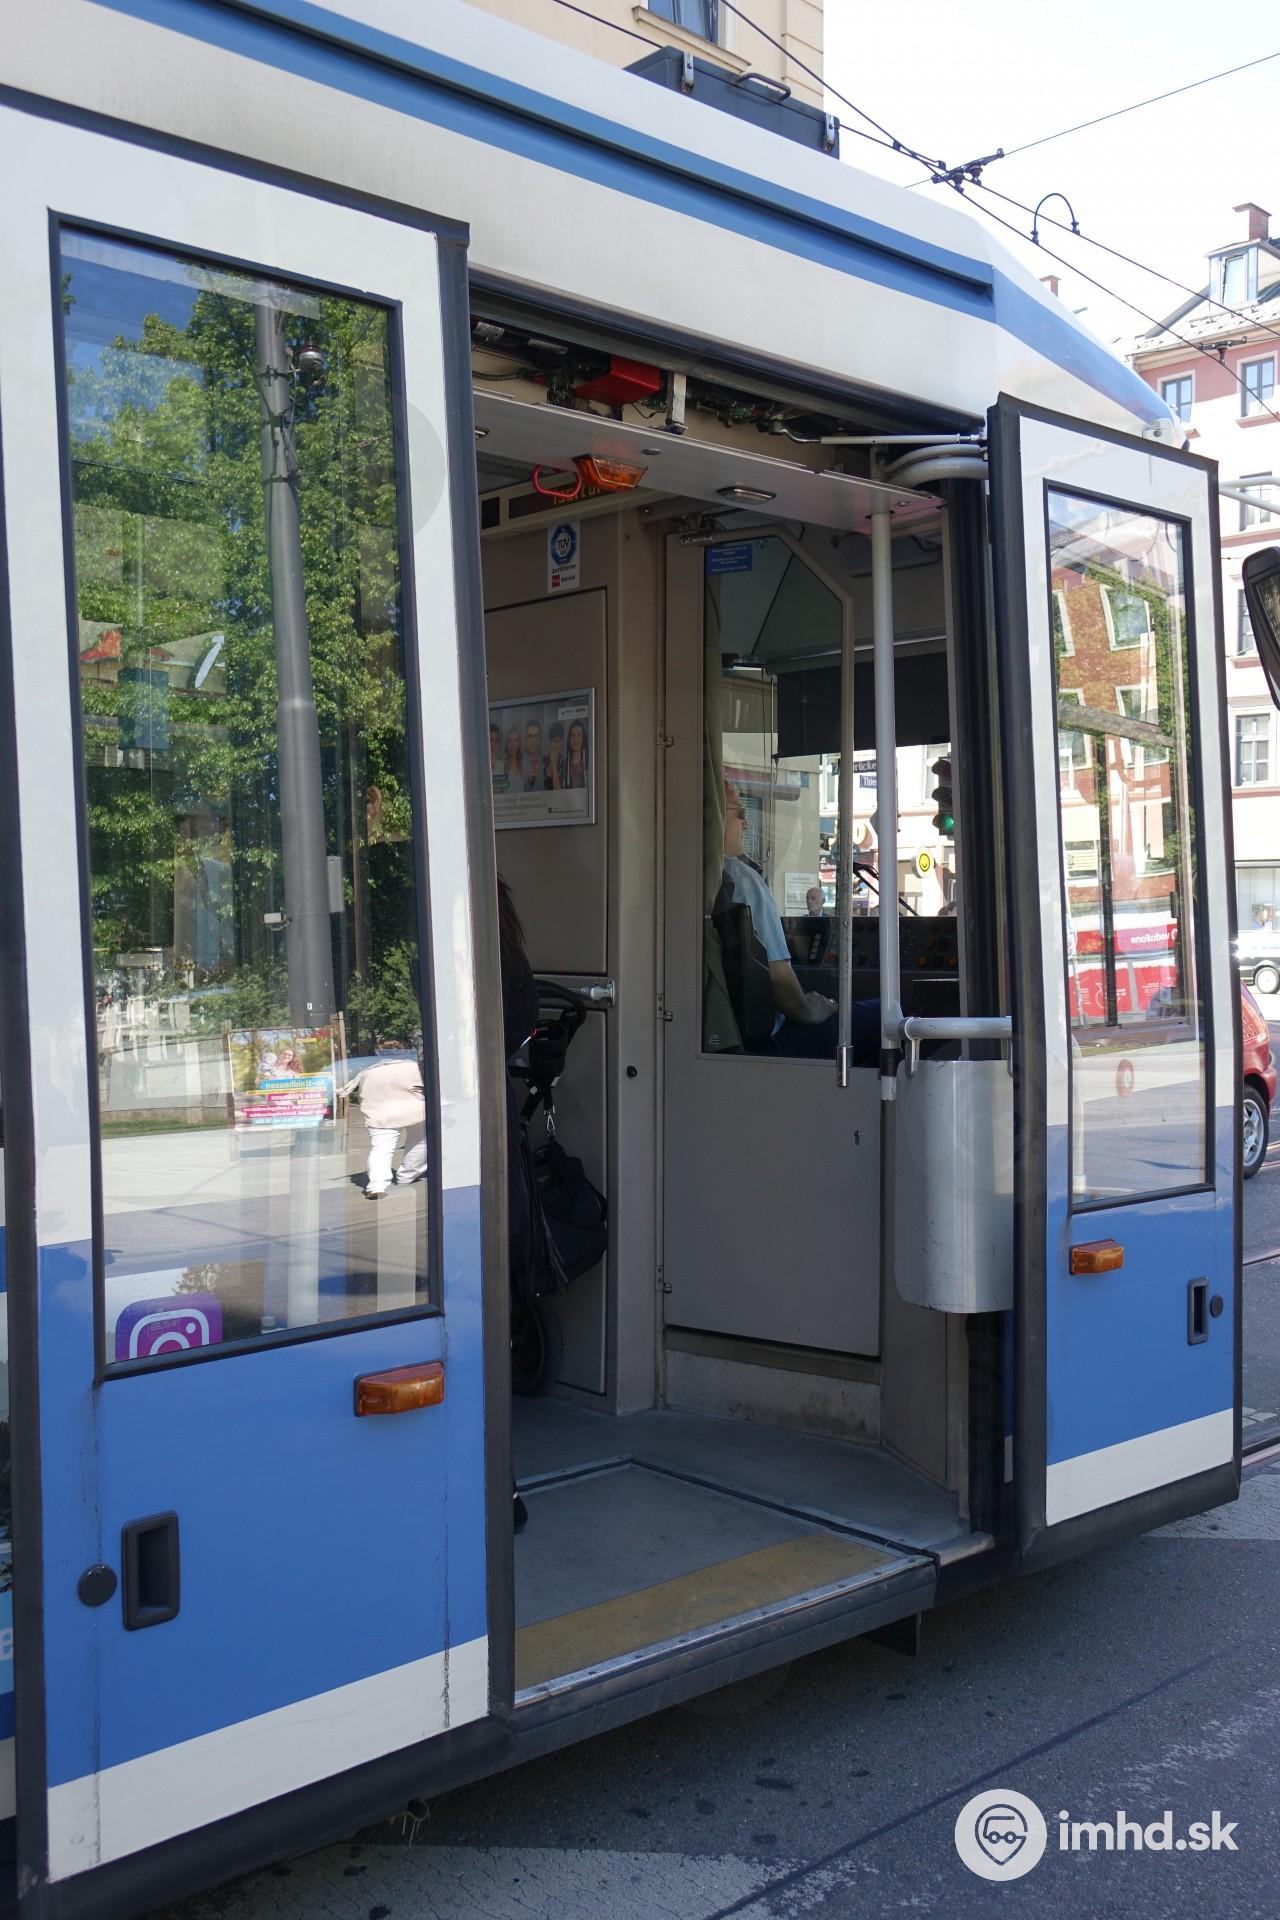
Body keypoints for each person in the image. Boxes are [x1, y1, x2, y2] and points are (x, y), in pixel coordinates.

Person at [720, 780, 835, 1051]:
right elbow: (779, 979)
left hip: (717, 1032)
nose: (746, 824)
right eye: (740, 812)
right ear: (714, 817)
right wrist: (813, 1010)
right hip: (764, 1038)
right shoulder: (740, 879)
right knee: (876, 1013)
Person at [348, 1035, 427, 1198]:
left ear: (378, 1053)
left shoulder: (368, 1071)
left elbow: (362, 1094)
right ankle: (406, 1176)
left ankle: (377, 1186)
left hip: (380, 1114)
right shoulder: (414, 1067)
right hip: (415, 1111)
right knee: (420, 1143)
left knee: (381, 1149)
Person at [564, 717, 589, 790]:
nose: (576, 739)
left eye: (579, 735)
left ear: (583, 738)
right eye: (573, 735)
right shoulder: (564, 764)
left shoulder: (590, 762)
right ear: (569, 739)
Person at [523, 719, 544, 791]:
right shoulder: (520, 762)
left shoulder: (543, 760)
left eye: (535, 736)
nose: (533, 740)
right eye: (530, 736)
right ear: (526, 738)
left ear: (539, 738)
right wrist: (529, 781)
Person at [544, 719, 566, 790]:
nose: (553, 745)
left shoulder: (565, 764)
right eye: (551, 741)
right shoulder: (543, 762)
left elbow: (558, 792)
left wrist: (553, 764)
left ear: (561, 742)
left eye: (556, 741)